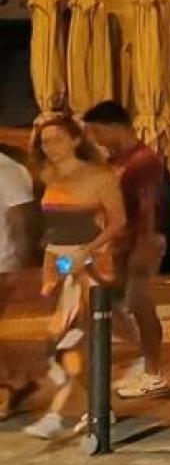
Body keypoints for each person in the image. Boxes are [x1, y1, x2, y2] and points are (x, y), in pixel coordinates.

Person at [23, 117, 126, 439]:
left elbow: (117, 222)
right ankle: (93, 404)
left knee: (81, 336)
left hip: (91, 261)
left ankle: (74, 409)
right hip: (63, 261)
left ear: (75, 140)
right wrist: (50, 271)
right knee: (61, 339)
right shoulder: (46, 175)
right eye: (44, 141)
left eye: (56, 139)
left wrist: (88, 252)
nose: (49, 147)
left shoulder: (98, 176)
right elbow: (52, 232)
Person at [80, 101, 169, 400]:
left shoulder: (143, 161)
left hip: (142, 241)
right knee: (107, 304)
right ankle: (143, 359)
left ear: (112, 127)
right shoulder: (119, 160)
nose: (97, 140)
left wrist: (145, 244)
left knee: (138, 302)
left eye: (97, 132)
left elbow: (149, 206)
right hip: (122, 243)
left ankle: (152, 370)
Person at [0, 144, 37, 420]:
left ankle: (12, 383)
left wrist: (22, 266)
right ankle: (15, 380)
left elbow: (22, 221)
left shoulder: (8, 170)